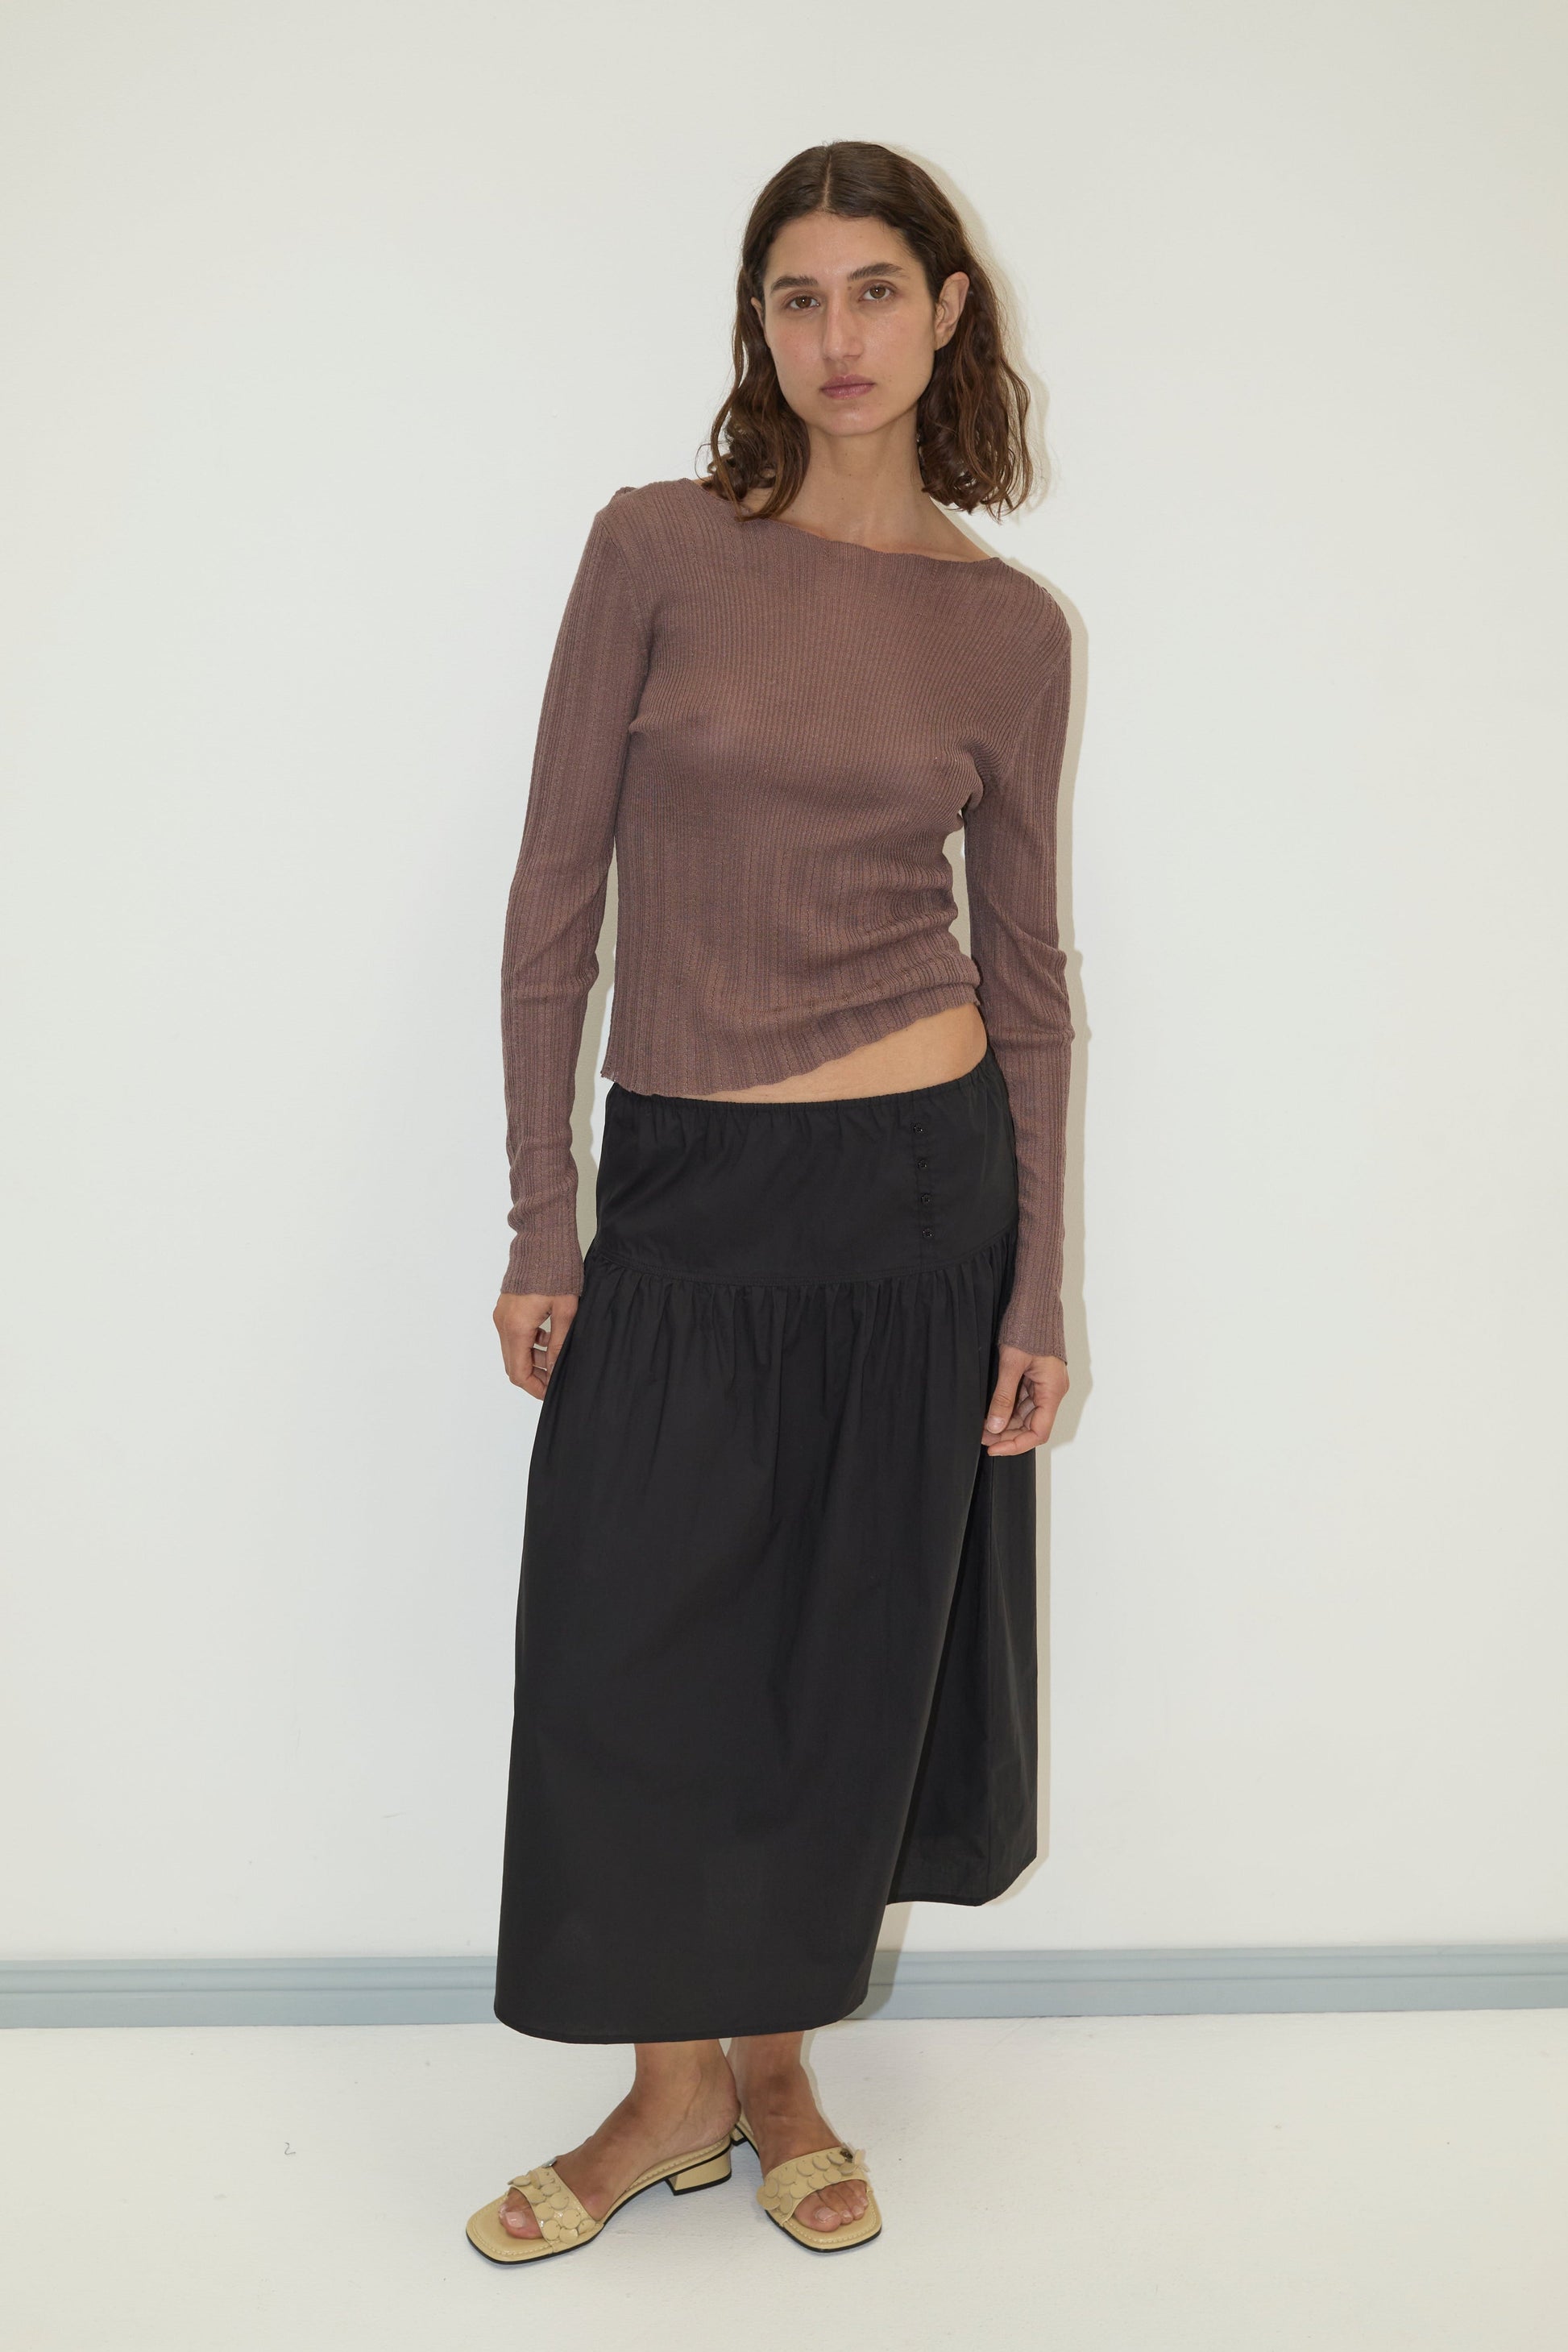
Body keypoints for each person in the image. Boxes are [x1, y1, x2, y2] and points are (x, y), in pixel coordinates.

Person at [466, 138, 1075, 2264]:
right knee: (639, 1649)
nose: (836, 337)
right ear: (758, 325)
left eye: (875, 292)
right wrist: (548, 1218)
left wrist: (1041, 1284)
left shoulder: (1003, 629)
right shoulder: (655, 549)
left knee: (838, 1656)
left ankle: (780, 2070)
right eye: (796, 296)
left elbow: (1029, 979)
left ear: (944, 315)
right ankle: (660, 2100)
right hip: (695, 1177)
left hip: (922, 1194)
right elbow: (557, 895)